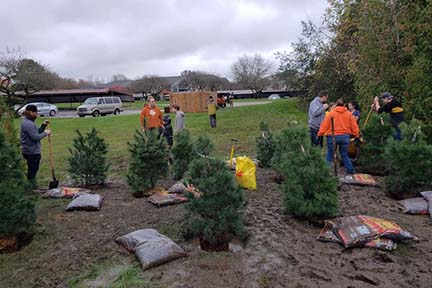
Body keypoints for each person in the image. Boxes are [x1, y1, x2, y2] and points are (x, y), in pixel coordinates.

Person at [318, 99, 359, 174]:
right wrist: (356, 134)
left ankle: (324, 173)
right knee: (344, 155)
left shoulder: (331, 113)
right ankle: (350, 171)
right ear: (344, 106)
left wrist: (320, 133)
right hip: (345, 137)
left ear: (336, 105)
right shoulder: (348, 114)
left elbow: (325, 125)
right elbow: (354, 126)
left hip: (332, 136)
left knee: (330, 155)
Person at [20, 104, 51, 188]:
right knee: (33, 169)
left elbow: (36, 132)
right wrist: (45, 133)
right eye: (36, 112)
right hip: (31, 151)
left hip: (31, 150)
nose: (37, 114)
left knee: (33, 169)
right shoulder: (28, 124)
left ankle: (31, 184)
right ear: (31, 112)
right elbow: (35, 137)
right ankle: (31, 186)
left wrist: (43, 126)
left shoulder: (29, 122)